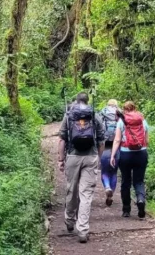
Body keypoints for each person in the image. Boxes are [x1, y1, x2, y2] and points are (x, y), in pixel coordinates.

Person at [58, 92, 105, 243]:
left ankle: (69, 220)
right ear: (87, 101)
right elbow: (101, 140)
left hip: (72, 157)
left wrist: (61, 160)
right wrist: (98, 158)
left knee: (71, 189)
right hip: (90, 157)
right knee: (86, 194)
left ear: (76, 101)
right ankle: (83, 230)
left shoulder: (69, 115)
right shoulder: (94, 114)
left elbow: (62, 139)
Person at [110, 100, 150, 219]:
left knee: (125, 181)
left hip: (125, 154)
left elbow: (117, 140)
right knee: (139, 181)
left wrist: (112, 155)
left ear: (125, 109)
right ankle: (141, 200)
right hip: (141, 153)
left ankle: (126, 210)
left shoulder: (121, 121)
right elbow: (147, 141)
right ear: (134, 108)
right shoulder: (142, 120)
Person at [97, 99, 123, 206]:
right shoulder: (120, 112)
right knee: (114, 172)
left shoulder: (103, 112)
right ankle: (110, 194)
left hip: (105, 145)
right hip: (116, 147)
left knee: (104, 171)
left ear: (107, 104)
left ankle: (107, 187)